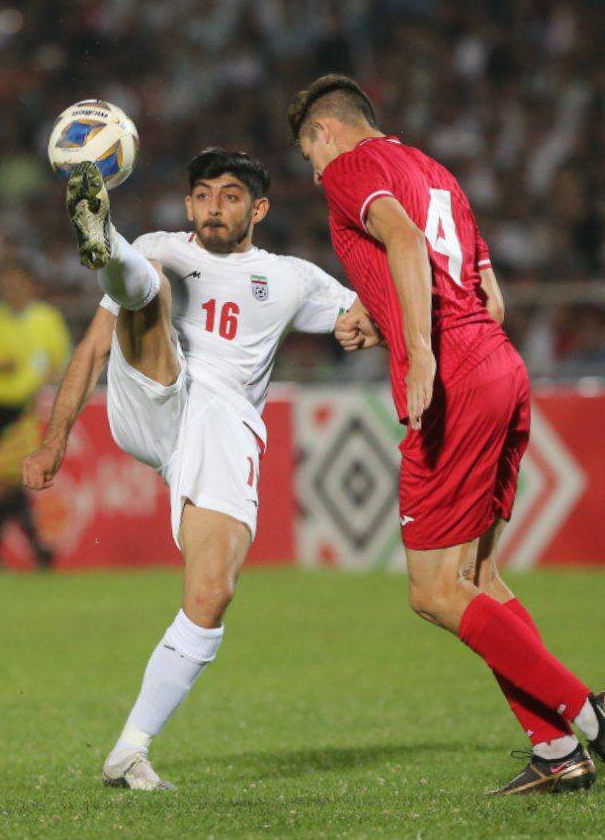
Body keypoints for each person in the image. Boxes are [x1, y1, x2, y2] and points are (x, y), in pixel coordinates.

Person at [288, 74, 605, 796]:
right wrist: (385, 313)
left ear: (326, 132)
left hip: (453, 372)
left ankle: (593, 714)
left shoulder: (351, 167)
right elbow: (487, 287)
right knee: (478, 579)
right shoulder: (434, 172)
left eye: (308, 153)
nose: (314, 171)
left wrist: (418, 345)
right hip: (499, 364)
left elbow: (400, 240)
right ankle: (557, 751)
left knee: (431, 591)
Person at [22, 149, 367, 791]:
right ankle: (107, 243)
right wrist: (54, 440)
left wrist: (362, 327)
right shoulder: (166, 245)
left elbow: (359, 311)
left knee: (211, 595)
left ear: (257, 209)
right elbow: (94, 346)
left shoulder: (291, 277)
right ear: (188, 205)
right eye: (203, 194)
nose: (214, 206)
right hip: (153, 390)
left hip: (223, 427)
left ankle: (128, 751)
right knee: (149, 280)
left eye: (231, 195)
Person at [0, 264, 70, 570]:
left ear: (31, 286)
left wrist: (50, 378)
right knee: (12, 479)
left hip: (28, 409)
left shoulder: (46, 318)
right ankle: (36, 550)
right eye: (7, 283)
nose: (12, 289)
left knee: (11, 482)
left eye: (18, 282)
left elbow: (61, 361)